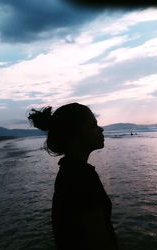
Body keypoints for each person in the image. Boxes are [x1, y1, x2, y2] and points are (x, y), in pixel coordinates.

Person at [28, 103, 118, 250]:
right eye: (92, 126)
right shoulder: (81, 178)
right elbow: (98, 240)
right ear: (73, 135)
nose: (100, 129)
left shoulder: (69, 171)